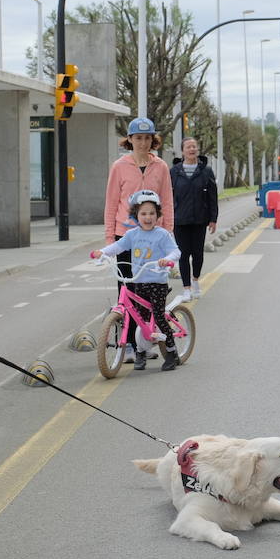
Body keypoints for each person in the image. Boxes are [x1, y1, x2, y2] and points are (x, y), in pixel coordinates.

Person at [104, 116, 175, 362]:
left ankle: (145, 341)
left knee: (147, 294)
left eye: (147, 138)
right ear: (130, 140)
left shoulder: (161, 167)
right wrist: (108, 241)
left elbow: (167, 202)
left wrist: (168, 236)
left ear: (152, 140)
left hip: (153, 240)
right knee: (125, 292)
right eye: (138, 138)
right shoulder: (119, 166)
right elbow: (111, 204)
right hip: (125, 237)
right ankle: (128, 345)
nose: (143, 143)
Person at [91, 190, 182, 371]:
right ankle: (140, 352)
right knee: (139, 318)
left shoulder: (162, 234)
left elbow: (176, 251)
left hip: (157, 282)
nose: (148, 217)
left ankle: (172, 352)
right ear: (136, 215)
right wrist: (103, 252)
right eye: (143, 213)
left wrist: (167, 260)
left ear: (157, 215)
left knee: (157, 316)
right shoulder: (132, 234)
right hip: (138, 282)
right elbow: (118, 246)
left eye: (151, 213)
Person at [169, 136, 218, 301]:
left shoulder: (206, 171)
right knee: (183, 255)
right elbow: (168, 196)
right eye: (188, 147)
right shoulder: (174, 171)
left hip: (199, 220)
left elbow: (212, 197)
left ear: (197, 150)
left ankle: (195, 280)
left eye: (194, 147)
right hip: (180, 220)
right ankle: (186, 288)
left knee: (197, 254)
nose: (192, 149)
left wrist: (213, 219)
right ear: (182, 151)